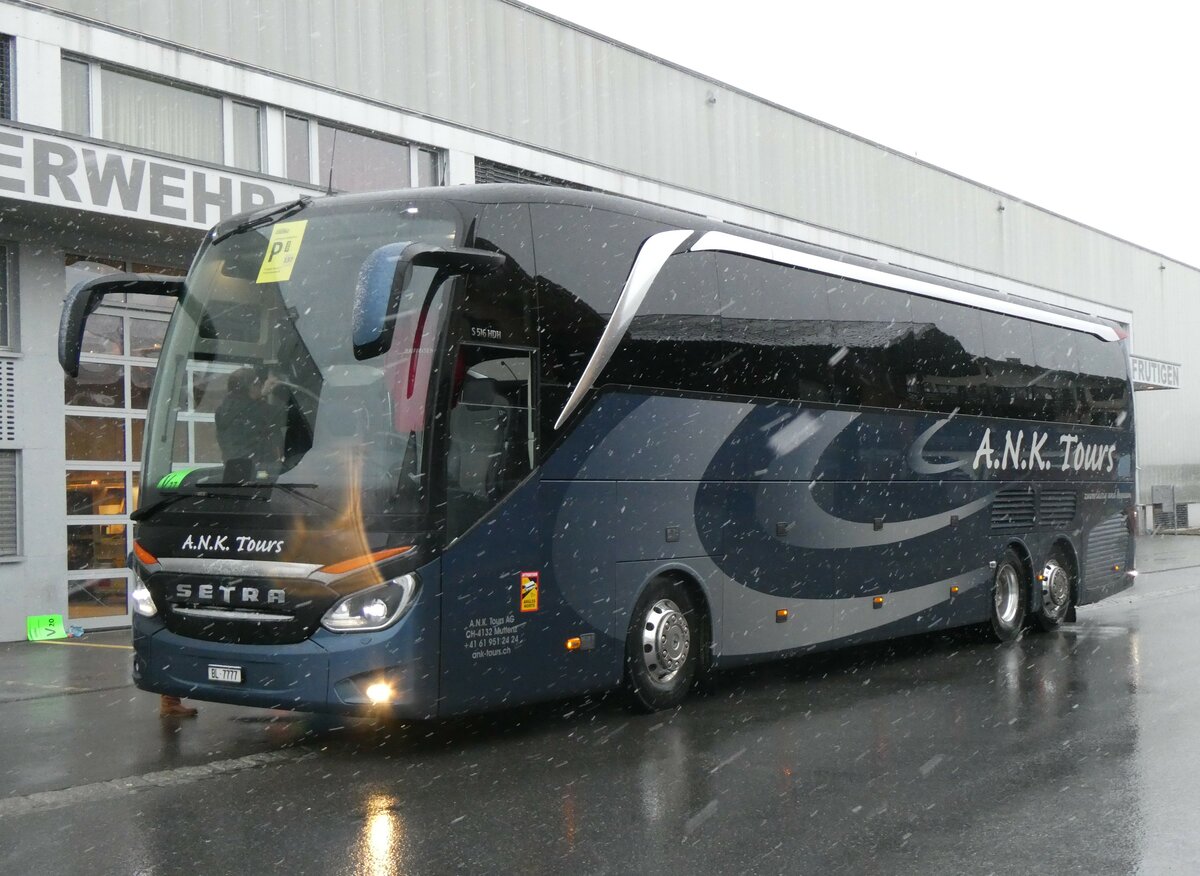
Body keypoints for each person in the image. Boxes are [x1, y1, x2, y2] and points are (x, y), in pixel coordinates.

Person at [215, 367, 285, 478]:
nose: (261, 385)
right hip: (257, 474)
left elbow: (248, 408)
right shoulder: (257, 411)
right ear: (251, 387)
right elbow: (289, 415)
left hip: (233, 473)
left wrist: (262, 394)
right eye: (258, 383)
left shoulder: (222, 410)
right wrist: (279, 391)